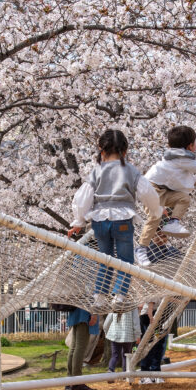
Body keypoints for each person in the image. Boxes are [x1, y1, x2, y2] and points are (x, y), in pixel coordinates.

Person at [69, 129, 161, 311]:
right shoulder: (131, 171)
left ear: (101, 150)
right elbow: (147, 193)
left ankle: (99, 297)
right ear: (125, 151)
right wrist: (156, 211)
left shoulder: (96, 171)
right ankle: (119, 295)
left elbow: (83, 197)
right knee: (125, 260)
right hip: (123, 219)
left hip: (100, 220)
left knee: (105, 258)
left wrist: (78, 221)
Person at [135, 125, 196, 266]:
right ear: (190, 146)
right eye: (195, 144)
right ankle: (141, 249)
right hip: (152, 189)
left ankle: (173, 222)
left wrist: (194, 182)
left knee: (184, 198)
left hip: (162, 190)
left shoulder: (176, 158)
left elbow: (177, 176)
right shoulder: (182, 158)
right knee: (155, 217)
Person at [64, 307, 99, 390]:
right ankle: (77, 381)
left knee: (74, 347)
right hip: (84, 313)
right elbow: (94, 296)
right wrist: (94, 314)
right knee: (80, 347)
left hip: (76, 312)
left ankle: (70, 381)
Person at [103, 309, 141, 383]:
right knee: (126, 355)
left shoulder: (115, 304)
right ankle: (125, 375)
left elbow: (108, 320)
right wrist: (137, 334)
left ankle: (110, 372)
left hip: (114, 334)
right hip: (127, 335)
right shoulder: (132, 306)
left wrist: (106, 331)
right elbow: (136, 321)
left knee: (115, 355)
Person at [137, 301, 168, 384]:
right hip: (149, 319)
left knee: (158, 344)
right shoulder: (154, 292)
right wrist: (151, 317)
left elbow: (170, 297)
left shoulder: (165, 293)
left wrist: (181, 301)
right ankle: (145, 374)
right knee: (149, 345)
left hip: (156, 319)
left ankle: (155, 372)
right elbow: (151, 304)